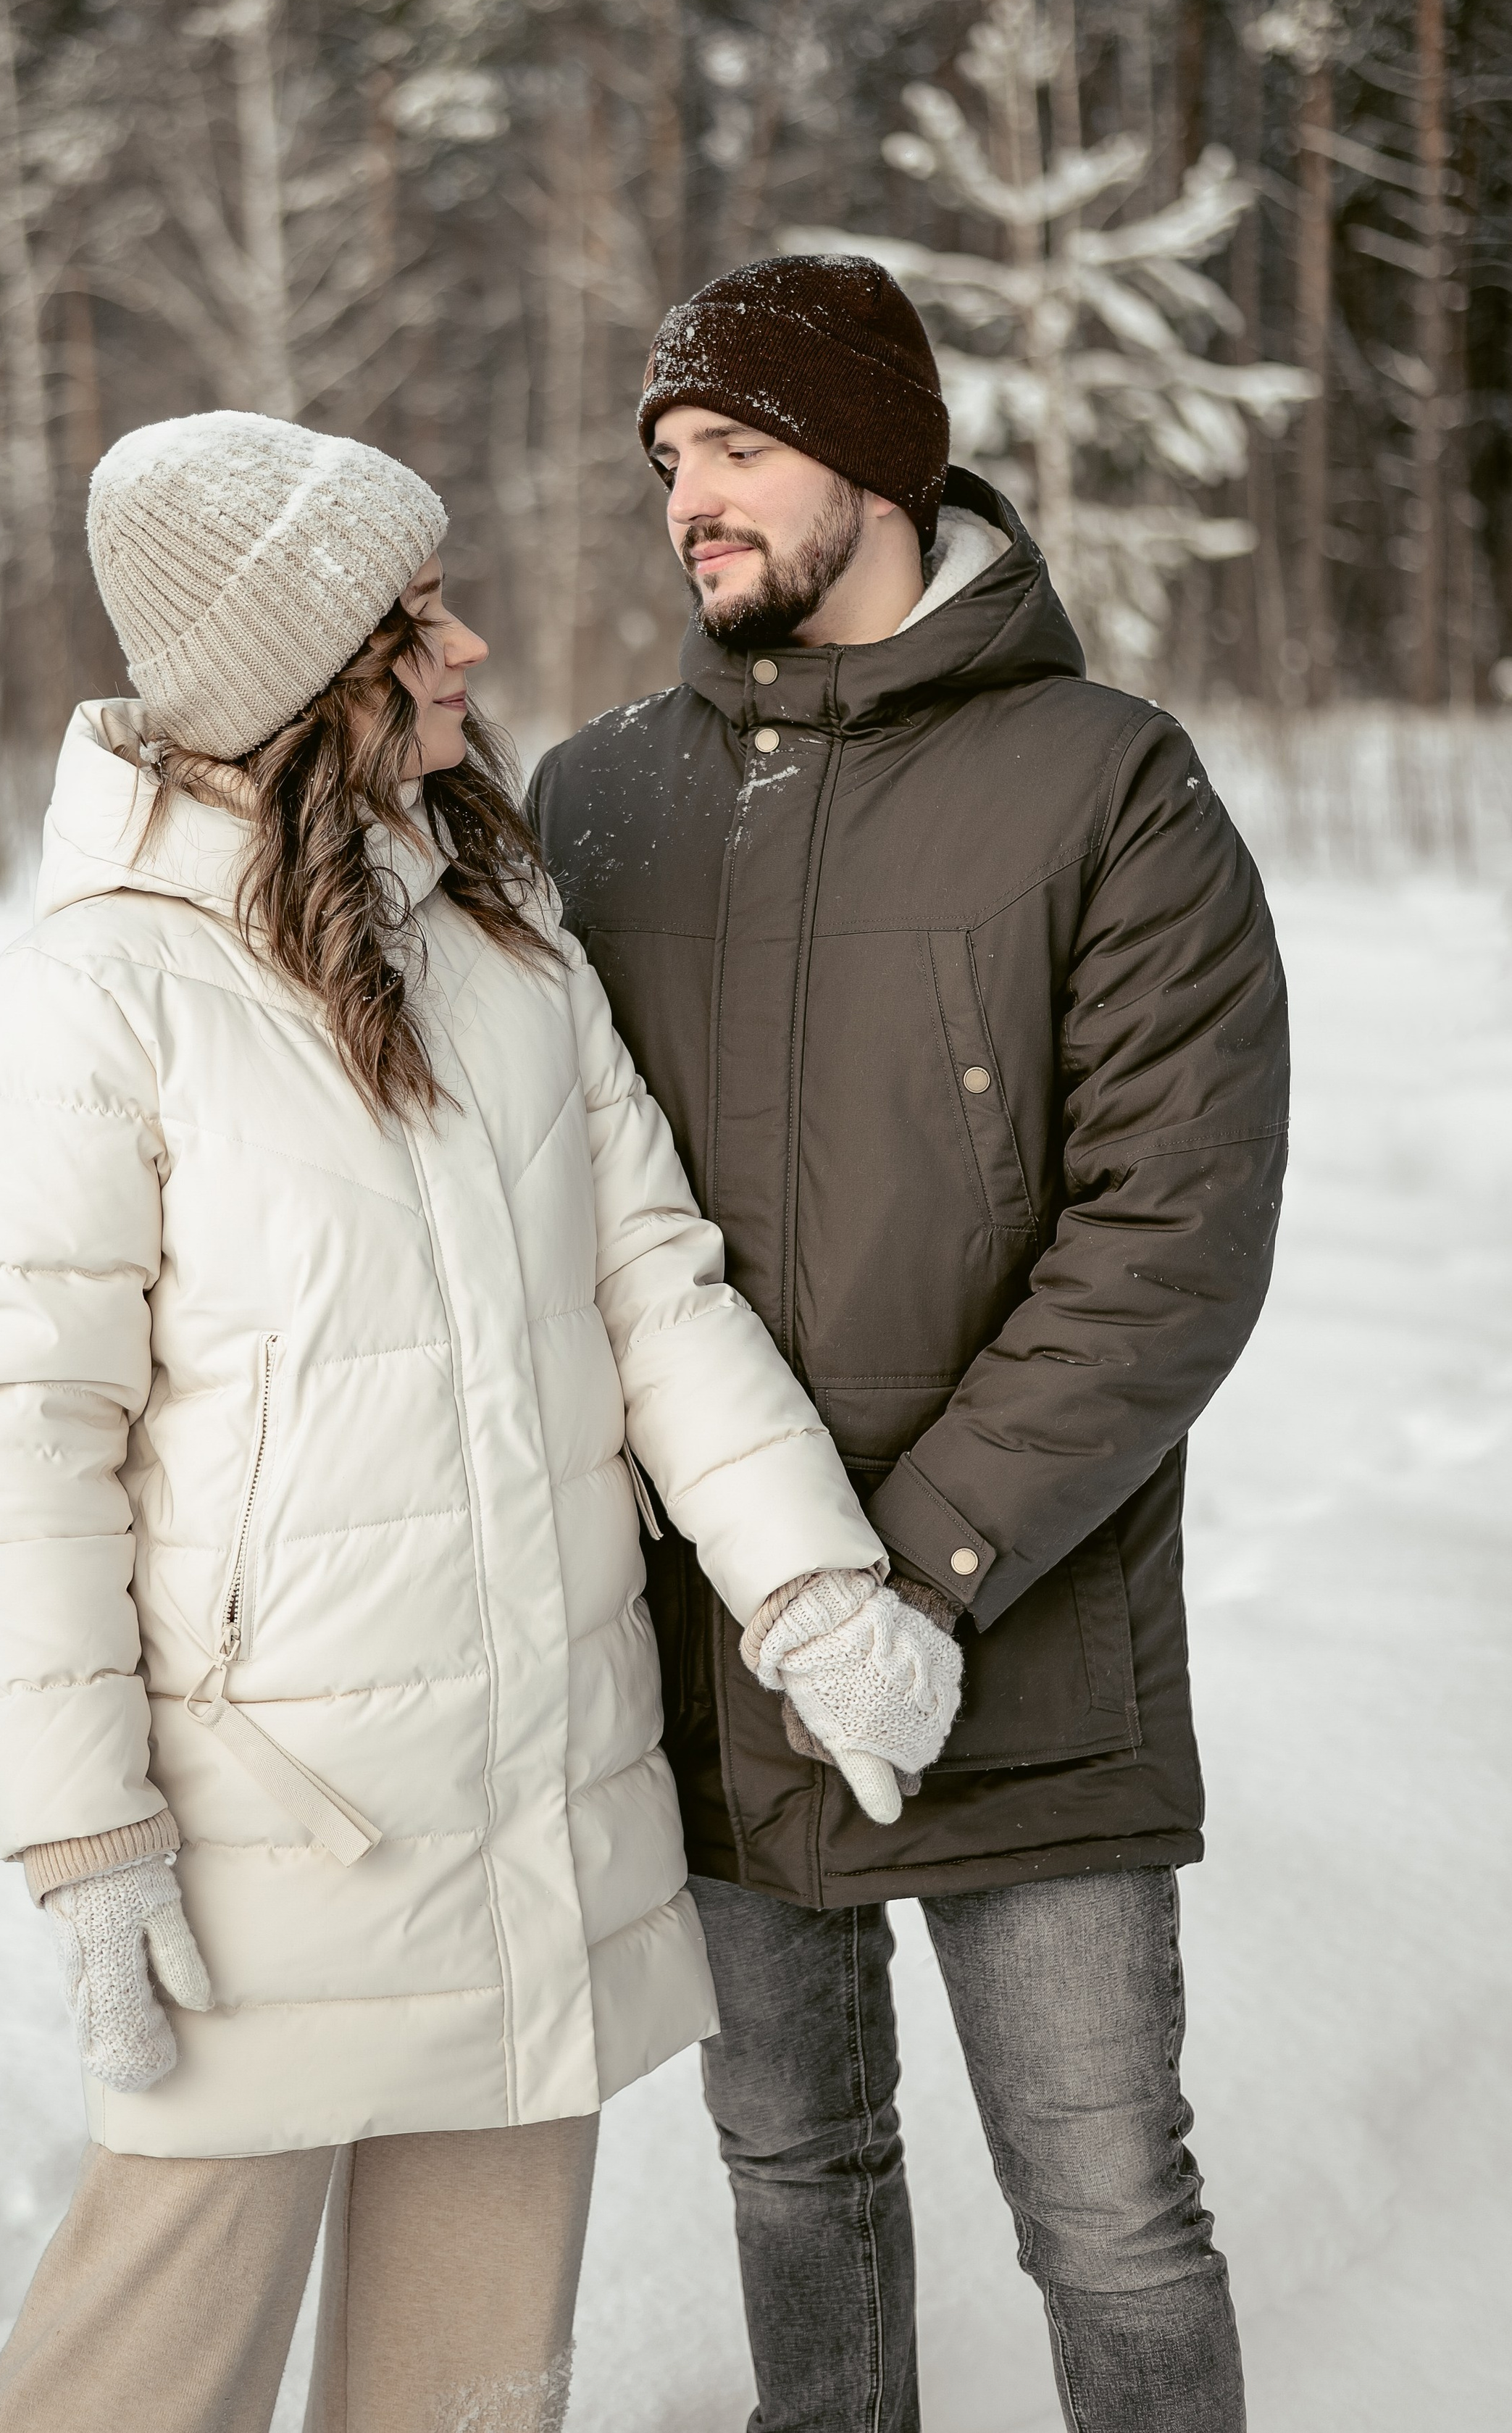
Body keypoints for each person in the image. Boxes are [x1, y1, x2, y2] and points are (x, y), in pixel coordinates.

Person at [0, 408, 938, 2433]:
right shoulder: (109, 986)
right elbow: (22, 1426)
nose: (466, 647)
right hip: (274, 1821)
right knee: (133, 2381)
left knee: (475, 2402)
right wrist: (87, 1828)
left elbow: (652, 1285)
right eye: (413, 618)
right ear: (304, 669)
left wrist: (813, 1582)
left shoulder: (499, 937)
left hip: (535, 1802)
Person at [527, 256, 1290, 2433]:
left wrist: (916, 1576)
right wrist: (782, 1587)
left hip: (1026, 1644)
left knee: (1108, 2203)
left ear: (876, 453)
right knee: (793, 2164)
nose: (691, 500)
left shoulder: (1106, 788)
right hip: (721, 1650)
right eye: (670, 461)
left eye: (740, 448)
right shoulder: (599, 805)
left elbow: (1172, 1234)